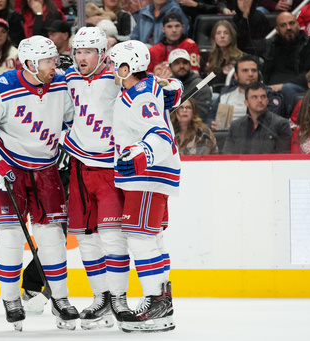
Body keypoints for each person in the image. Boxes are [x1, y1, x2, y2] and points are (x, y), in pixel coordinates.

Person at [0, 35, 78, 330]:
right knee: (9, 237)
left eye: (55, 59)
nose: (55, 65)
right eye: (48, 61)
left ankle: (61, 298)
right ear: (30, 64)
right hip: (9, 170)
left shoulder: (61, 84)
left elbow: (70, 122)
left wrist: (68, 145)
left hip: (47, 169)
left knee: (53, 237)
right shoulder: (0, 87)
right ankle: (11, 299)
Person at [108, 40, 179, 333]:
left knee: (140, 239)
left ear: (127, 69)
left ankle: (156, 304)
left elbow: (161, 135)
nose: (111, 71)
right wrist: (173, 87)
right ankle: (162, 301)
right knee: (151, 239)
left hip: (148, 174)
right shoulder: (145, 87)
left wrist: (141, 154)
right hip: (152, 175)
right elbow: (169, 89)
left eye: (115, 66)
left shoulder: (138, 98)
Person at [63, 26, 129, 330]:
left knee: (112, 237)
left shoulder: (118, 77)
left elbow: (151, 93)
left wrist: (170, 88)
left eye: (87, 51)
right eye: (77, 51)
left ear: (103, 54)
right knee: (86, 238)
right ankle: (100, 297)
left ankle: (119, 299)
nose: (81, 57)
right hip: (78, 165)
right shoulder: (69, 78)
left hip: (109, 167)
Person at [262, 12, 310, 116]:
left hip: (300, 87)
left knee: (288, 88)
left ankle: (295, 122)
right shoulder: (269, 45)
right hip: (272, 89)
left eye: (291, 23)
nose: (288, 28)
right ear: (277, 30)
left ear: (298, 25)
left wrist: (282, 85)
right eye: (283, 25)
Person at [207, 54, 284, 129]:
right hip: (224, 137)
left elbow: (271, 125)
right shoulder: (225, 94)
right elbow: (209, 118)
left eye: (254, 70)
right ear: (236, 76)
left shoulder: (268, 95)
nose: (250, 74)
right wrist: (213, 124)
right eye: (245, 71)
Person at [223, 81, 292, 154]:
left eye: (263, 97)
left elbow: (283, 158)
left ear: (267, 101)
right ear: (246, 103)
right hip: (241, 165)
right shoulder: (236, 126)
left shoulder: (281, 124)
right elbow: (228, 156)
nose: (260, 100)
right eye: (254, 97)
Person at [147, 11, 200, 78]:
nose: (174, 30)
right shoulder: (153, 50)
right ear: (163, 29)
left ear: (182, 27)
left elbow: (195, 73)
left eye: (177, 26)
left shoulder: (190, 45)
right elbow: (148, 77)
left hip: (185, 86)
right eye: (169, 27)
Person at [169, 48, 211, 120]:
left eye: (185, 62)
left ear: (190, 65)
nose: (181, 66)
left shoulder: (201, 85)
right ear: (170, 67)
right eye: (177, 63)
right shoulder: (167, 87)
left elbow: (200, 115)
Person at [206, 20, 244, 88]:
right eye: (218, 33)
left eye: (226, 33)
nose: (222, 36)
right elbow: (206, 83)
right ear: (214, 37)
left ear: (232, 36)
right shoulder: (212, 57)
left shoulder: (241, 57)